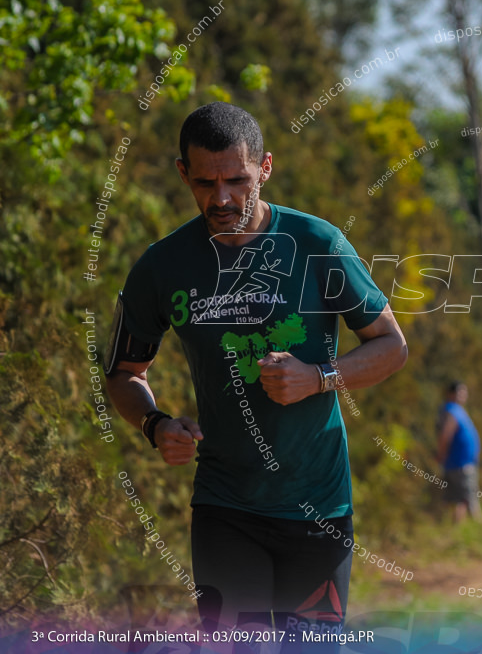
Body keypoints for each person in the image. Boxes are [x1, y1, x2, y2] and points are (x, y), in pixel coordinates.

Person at [106, 102, 408, 632]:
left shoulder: (318, 244)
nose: (221, 198)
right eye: (205, 182)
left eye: (237, 180)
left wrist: (318, 378)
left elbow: (391, 346)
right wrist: (155, 425)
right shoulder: (162, 265)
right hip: (226, 507)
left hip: (319, 507)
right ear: (183, 173)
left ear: (265, 168)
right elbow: (125, 373)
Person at [437, 381, 482, 523]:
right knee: (469, 499)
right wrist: (442, 454)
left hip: (460, 463)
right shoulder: (451, 410)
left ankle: (458, 532)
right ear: (450, 394)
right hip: (460, 464)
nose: (463, 395)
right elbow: (446, 435)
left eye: (464, 392)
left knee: (459, 500)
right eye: (459, 392)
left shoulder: (457, 410)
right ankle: (480, 530)